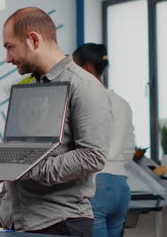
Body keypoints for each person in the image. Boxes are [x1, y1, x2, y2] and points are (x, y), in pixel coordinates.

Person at [0, 7, 113, 237]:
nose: (8, 58)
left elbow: (92, 156)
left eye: (10, 47)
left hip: (60, 224)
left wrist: (21, 169)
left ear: (33, 39)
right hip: (18, 224)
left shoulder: (84, 87)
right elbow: (18, 151)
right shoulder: (30, 89)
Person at [73, 43, 133, 237]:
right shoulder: (122, 103)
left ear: (87, 68)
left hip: (95, 183)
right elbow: (128, 151)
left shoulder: (85, 99)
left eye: (74, 67)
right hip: (121, 186)